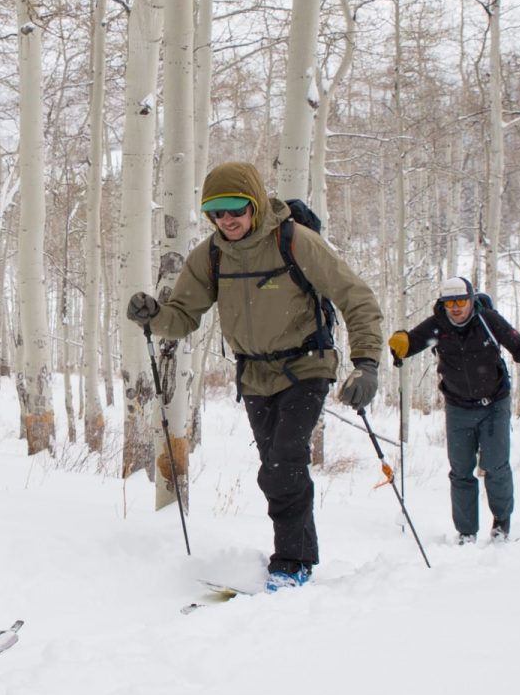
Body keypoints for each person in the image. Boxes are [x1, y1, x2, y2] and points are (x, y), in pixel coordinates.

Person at [125, 162, 383, 589]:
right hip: (255, 376)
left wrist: (367, 363)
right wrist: (154, 318)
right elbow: (183, 316)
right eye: (217, 212)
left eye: (236, 209)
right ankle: (295, 553)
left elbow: (356, 297)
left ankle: (293, 562)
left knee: (285, 462)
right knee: (274, 466)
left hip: (308, 365)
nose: (227, 220)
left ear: (256, 204)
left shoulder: (295, 242)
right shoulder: (211, 255)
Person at [389, 277, 520, 544]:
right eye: (449, 303)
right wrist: (401, 342)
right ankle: (466, 532)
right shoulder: (438, 326)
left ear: (472, 300)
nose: (455, 308)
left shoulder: (488, 320)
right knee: (461, 470)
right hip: (458, 406)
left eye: (461, 301)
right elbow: (411, 344)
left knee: (495, 466)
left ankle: (501, 523)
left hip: (494, 403)